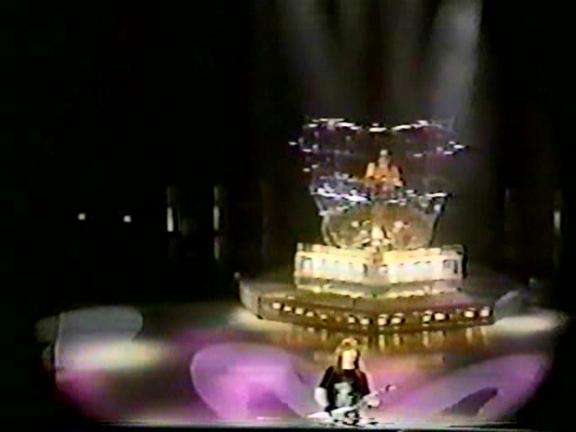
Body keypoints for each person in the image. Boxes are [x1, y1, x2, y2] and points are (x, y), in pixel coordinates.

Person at [314, 338, 380, 424]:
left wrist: (371, 402)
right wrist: (328, 408)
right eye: (349, 352)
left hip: (353, 418)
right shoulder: (332, 371)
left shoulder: (361, 375)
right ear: (341, 354)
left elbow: (365, 396)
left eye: (354, 353)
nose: (351, 355)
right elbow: (320, 391)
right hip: (334, 417)